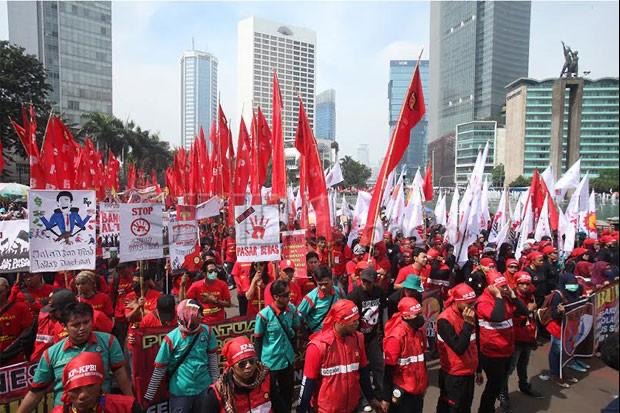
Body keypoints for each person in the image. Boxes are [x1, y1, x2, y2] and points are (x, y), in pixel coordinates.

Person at [17, 302, 132, 411]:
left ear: (92, 320)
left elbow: (120, 374)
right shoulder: (50, 354)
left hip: (101, 408)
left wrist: (132, 403)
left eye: (86, 322)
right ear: (64, 326)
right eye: (76, 325)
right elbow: (35, 393)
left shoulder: (108, 341)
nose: (82, 328)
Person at [297, 299, 383, 413]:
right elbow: (307, 384)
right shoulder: (318, 346)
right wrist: (301, 410)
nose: (357, 323)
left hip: (352, 408)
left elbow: (364, 373)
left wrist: (371, 398)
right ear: (340, 322)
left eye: (357, 319)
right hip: (326, 410)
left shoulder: (358, 339)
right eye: (353, 321)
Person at [144, 299, 219, 411]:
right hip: (181, 393)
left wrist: (216, 385)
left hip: (204, 389)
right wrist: (148, 397)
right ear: (185, 318)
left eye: (200, 314)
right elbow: (159, 369)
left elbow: (213, 361)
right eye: (196, 315)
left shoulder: (207, 332)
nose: (201, 317)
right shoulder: (171, 338)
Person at [476, 270, 523, 413]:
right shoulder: (483, 301)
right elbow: (497, 317)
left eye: (505, 286)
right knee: (493, 386)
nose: (505, 289)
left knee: (499, 383)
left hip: (507, 349)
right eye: (501, 287)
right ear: (492, 287)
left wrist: (513, 297)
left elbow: (523, 311)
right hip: (492, 352)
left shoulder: (505, 297)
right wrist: (498, 297)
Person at [205, 336, 287, 412]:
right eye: (242, 364)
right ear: (232, 366)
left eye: (252, 361)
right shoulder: (218, 392)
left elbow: (280, 407)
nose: (248, 366)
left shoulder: (266, 378)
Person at [255, 279, 301, 412]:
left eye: (289, 294)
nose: (289, 297)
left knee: (288, 393)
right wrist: (258, 363)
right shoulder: (264, 315)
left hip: (288, 360)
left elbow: (296, 328)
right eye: (285, 295)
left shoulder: (292, 310)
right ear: (276, 297)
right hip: (270, 363)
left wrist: (295, 349)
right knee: (272, 396)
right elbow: (258, 340)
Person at [436, 283, 479, 413]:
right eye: (468, 303)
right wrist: (467, 325)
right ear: (457, 301)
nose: (472, 307)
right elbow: (459, 348)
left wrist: (479, 369)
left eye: (474, 303)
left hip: (469, 371)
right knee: (452, 408)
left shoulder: (470, 314)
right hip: (454, 375)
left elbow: (475, 342)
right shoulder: (444, 320)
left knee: (466, 407)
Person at [500, 272, 543, 402]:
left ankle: (524, 386)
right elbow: (507, 316)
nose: (525, 286)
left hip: (528, 336)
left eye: (527, 284)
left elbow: (533, 316)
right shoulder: (510, 297)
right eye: (522, 284)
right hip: (515, 338)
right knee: (509, 368)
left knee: (523, 364)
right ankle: (503, 394)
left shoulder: (531, 296)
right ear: (517, 284)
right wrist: (526, 311)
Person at [381, 297, 428, 413]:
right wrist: (386, 398)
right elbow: (388, 371)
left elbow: (422, 361)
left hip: (417, 390)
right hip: (402, 394)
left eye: (420, 313)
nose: (420, 317)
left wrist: (424, 384)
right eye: (417, 314)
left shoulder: (420, 332)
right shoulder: (396, 338)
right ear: (406, 316)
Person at [52, 352, 139, 413]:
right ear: (67, 392)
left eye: (90, 386)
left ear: (100, 385)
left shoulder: (127, 407)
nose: (83, 395)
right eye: (75, 389)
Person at [348, 268, 386, 400]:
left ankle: (380, 390)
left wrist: (384, 330)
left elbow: (383, 311)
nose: (365, 284)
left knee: (378, 364)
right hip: (357, 338)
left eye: (368, 282)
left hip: (372, 336)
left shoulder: (379, 292)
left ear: (374, 281)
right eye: (363, 281)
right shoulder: (354, 295)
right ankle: (361, 397)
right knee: (359, 368)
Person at [298, 265, 344, 334]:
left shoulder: (339, 291)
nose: (323, 287)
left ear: (332, 279)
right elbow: (299, 316)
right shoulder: (310, 298)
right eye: (320, 284)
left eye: (326, 284)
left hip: (335, 334)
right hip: (318, 335)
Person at [0, 277, 34, 366]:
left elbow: (28, 331)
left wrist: (11, 350)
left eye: (0, 292)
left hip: (16, 358)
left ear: (7, 289)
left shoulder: (21, 307)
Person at [186, 259, 232, 323]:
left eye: (215, 271)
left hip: (220, 321)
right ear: (204, 273)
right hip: (203, 322)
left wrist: (215, 300)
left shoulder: (223, 285)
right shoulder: (196, 286)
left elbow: (228, 304)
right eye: (210, 271)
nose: (214, 273)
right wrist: (182, 285)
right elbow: (185, 301)